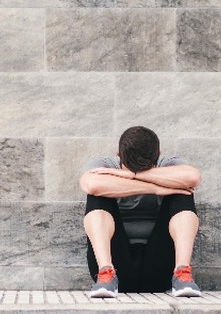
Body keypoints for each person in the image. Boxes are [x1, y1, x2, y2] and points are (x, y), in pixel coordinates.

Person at [79, 125, 203, 298]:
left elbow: (193, 177)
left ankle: (182, 274)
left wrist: (132, 175)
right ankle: (105, 274)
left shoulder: (168, 163)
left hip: (161, 268)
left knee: (182, 193)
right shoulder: (105, 165)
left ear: (159, 156)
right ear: (117, 155)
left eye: (145, 168)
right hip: (118, 267)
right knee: (97, 193)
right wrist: (158, 188)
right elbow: (91, 184)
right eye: (132, 168)